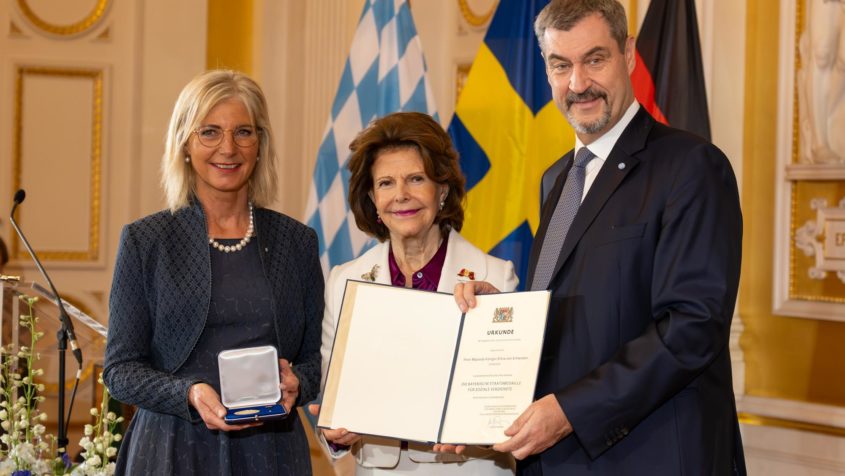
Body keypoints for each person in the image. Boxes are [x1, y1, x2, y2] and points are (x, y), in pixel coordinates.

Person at [450, 0, 745, 474]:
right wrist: (503, 315)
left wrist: (571, 411)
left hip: (650, 460)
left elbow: (692, 327)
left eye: (594, 59)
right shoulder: (557, 178)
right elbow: (585, 309)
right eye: (560, 65)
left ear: (627, 54)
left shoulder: (691, 167)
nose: (578, 83)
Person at [103, 70, 323, 475]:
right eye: (209, 132)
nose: (228, 148)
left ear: (260, 144)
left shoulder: (297, 242)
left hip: (272, 453)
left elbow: (316, 359)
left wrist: (300, 383)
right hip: (171, 449)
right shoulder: (145, 241)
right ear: (185, 144)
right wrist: (187, 393)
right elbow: (119, 371)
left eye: (243, 132)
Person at [311, 111, 517, 475]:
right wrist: (335, 434)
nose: (401, 195)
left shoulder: (496, 277)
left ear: (443, 190)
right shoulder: (344, 281)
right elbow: (333, 400)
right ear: (373, 198)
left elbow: (504, 406)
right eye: (386, 183)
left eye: (416, 179)